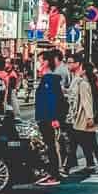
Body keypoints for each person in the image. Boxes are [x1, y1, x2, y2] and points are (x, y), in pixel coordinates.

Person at [66, 56, 98, 175]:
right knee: (89, 143)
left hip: (84, 119)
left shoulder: (84, 84)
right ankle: (94, 165)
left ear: (84, 70)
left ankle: (67, 167)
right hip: (84, 119)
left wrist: (90, 117)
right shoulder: (87, 82)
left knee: (81, 143)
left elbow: (86, 102)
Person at [34, 51, 68, 185]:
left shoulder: (49, 79)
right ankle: (54, 171)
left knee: (49, 146)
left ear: (46, 62)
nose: (39, 63)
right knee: (51, 145)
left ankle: (53, 174)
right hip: (47, 117)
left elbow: (51, 100)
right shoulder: (51, 79)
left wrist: (54, 118)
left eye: (40, 60)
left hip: (47, 118)